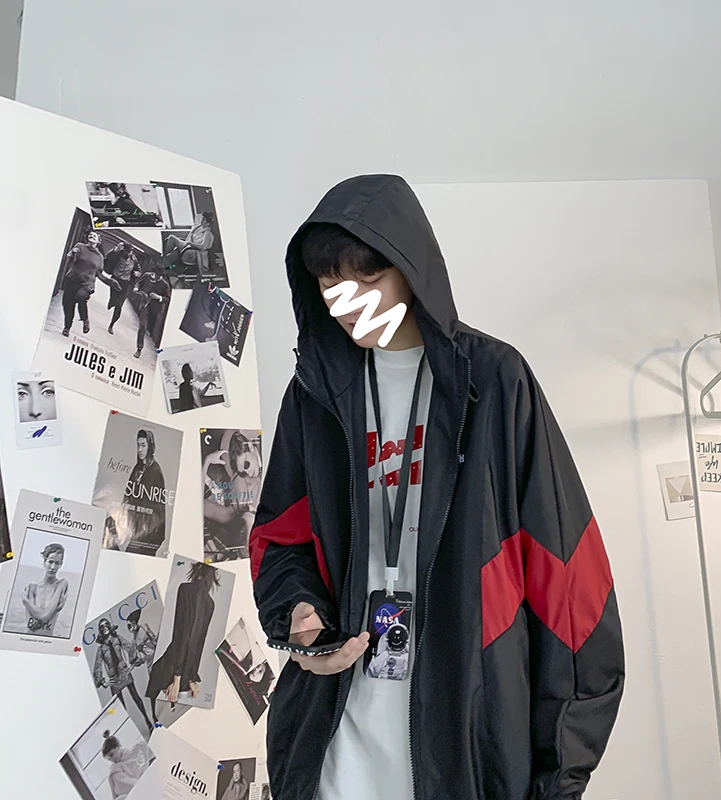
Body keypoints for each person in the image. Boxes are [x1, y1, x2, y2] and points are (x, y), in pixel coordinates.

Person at [249, 175, 624, 800]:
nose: (347, 302)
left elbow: (570, 585)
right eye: (330, 283)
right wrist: (299, 616)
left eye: (369, 279)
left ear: (411, 270)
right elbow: (279, 538)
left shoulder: (494, 382)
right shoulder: (315, 393)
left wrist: (560, 774)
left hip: (468, 735)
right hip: (333, 730)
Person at [146, 562, 219, 721]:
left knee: (153, 676)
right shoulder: (210, 603)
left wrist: (177, 679)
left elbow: (181, 634)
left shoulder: (185, 589)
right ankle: (156, 721)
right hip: (187, 667)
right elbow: (199, 644)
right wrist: (191, 677)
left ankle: (153, 721)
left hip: (175, 661)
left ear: (197, 571)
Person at [203, 431, 262, 559]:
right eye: (243, 472)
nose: (248, 473)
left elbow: (199, 504)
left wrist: (207, 461)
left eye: (246, 464)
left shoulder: (230, 515)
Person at [93, 618, 153, 733]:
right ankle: (127, 732)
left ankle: (148, 723)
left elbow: (130, 648)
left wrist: (133, 663)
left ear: (109, 626)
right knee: (120, 708)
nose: (104, 628)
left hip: (124, 672)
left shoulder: (117, 639)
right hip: (114, 679)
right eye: (102, 627)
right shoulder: (101, 649)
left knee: (137, 699)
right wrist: (103, 682)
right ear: (100, 631)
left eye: (106, 625)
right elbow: (97, 666)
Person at [121, 429, 167, 556]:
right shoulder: (137, 468)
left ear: (150, 446)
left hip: (148, 531)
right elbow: (128, 496)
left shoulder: (155, 472)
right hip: (134, 523)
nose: (140, 450)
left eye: (143, 445)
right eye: (138, 445)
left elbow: (156, 510)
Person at [61, 228, 109, 336]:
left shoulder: (100, 257)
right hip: (72, 279)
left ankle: (85, 319)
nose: (91, 236)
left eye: (94, 236)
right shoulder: (79, 246)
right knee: (68, 305)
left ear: (98, 241)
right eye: (90, 235)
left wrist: (110, 282)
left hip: (87, 283)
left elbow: (99, 273)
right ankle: (67, 327)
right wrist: (72, 254)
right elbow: (69, 258)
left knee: (81, 296)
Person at [21, 542, 68, 636]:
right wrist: (56, 609)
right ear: (44, 562)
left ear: (61, 564)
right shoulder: (32, 587)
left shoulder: (62, 584)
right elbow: (31, 625)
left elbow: (44, 616)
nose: (53, 567)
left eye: (57, 563)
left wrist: (26, 602)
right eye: (50, 562)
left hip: (47, 640)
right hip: (27, 638)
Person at [131, 265, 170, 358]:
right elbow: (138, 283)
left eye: (158, 275)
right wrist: (136, 288)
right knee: (143, 326)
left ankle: (149, 335)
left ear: (161, 276)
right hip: (144, 305)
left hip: (155, 310)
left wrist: (158, 297)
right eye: (155, 274)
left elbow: (168, 299)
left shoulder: (165, 285)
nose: (155, 276)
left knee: (149, 328)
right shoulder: (147, 276)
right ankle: (139, 349)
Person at [163, 211, 216, 277]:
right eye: (202, 218)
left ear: (208, 223)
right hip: (187, 247)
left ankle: (164, 260)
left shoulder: (208, 233)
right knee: (168, 258)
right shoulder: (199, 228)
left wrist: (189, 243)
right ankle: (169, 271)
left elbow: (203, 247)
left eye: (204, 220)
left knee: (171, 238)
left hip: (193, 252)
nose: (202, 220)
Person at [101, 729, 151, 800]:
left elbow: (147, 753)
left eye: (112, 754)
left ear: (118, 746)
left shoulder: (136, 751)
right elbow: (123, 785)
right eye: (109, 759)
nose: (112, 760)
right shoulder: (115, 769)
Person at [103, 242, 141, 334]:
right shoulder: (117, 255)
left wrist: (137, 273)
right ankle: (111, 302)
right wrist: (115, 250)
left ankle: (111, 325)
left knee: (119, 305)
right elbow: (107, 258)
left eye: (130, 252)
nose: (128, 253)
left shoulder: (134, 260)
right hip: (115, 279)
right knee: (113, 299)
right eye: (126, 251)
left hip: (126, 283)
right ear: (123, 250)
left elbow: (139, 270)